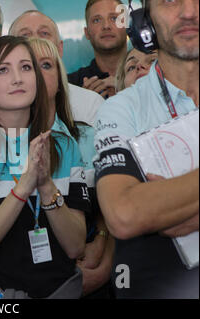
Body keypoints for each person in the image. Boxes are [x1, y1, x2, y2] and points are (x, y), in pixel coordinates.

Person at [0, 36, 90, 299]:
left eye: (25, 67)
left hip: (61, 291)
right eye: (3, 70)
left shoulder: (63, 147)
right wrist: (24, 186)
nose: (17, 78)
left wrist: (45, 186)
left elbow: (76, 247)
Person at [94, 0, 198, 298]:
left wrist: (170, 204)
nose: (189, 12)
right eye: (170, 0)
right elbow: (125, 213)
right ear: (143, 19)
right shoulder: (120, 109)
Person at [28, 37, 115, 298]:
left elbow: (114, 205)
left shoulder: (90, 137)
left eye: (46, 65)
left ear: (60, 79)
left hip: (88, 270)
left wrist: (101, 247)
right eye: (27, 66)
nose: (36, 73)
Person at [9, 10, 104, 126]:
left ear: (60, 49)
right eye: (25, 35)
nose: (35, 40)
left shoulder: (90, 104)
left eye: (44, 33)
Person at [68, 0, 128, 99]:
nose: (106, 26)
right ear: (87, 33)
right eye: (97, 20)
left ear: (127, 27)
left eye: (113, 18)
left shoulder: (148, 75)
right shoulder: (70, 86)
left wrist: (130, 90)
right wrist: (80, 104)